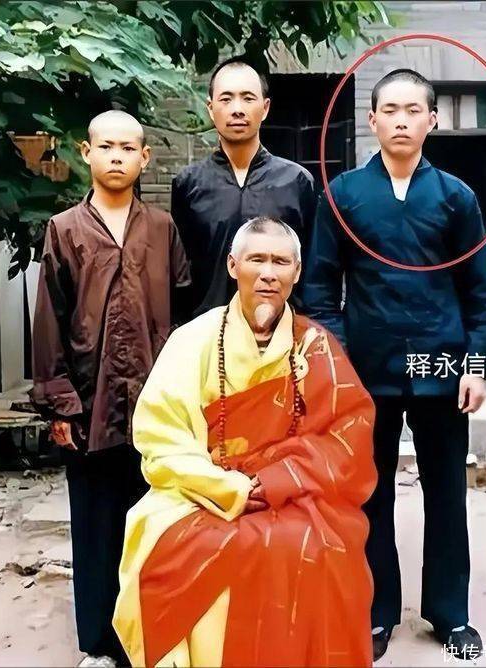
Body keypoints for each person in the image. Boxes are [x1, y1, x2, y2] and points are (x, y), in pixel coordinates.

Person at [113, 217, 377, 668]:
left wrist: (276, 480)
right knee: (178, 552)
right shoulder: (192, 340)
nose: (268, 273)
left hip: (293, 493)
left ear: (297, 272)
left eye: (280, 262)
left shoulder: (316, 345)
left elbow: (347, 434)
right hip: (200, 491)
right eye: (257, 259)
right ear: (233, 266)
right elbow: (162, 436)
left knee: (321, 549)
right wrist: (228, 487)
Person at [303, 69, 486, 662]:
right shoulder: (343, 196)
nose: (401, 121)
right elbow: (320, 288)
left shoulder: (456, 197)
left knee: (446, 491)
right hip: (369, 367)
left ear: (431, 121)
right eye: (390, 110)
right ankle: (375, 611)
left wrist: (475, 365)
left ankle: (451, 613)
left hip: (441, 364)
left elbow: (481, 292)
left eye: (413, 110)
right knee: (370, 494)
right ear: (371, 120)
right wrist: (338, 361)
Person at [31, 110, 190, 667]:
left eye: (128, 148)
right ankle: (99, 644)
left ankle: (148, 637)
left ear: (145, 157)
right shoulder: (64, 229)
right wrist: (60, 403)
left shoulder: (162, 229)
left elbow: (183, 310)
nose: (117, 156)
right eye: (106, 146)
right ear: (86, 152)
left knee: (154, 522)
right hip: (89, 404)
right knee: (96, 525)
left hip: (156, 403)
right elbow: (49, 317)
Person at [171, 56, 316, 317]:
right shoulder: (189, 184)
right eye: (226, 99)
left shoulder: (297, 181)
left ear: (265, 107)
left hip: (281, 329)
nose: (237, 109)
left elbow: (312, 269)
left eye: (248, 98)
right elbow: (180, 271)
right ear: (210, 108)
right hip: (208, 327)